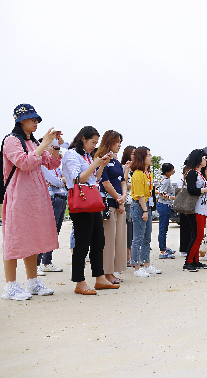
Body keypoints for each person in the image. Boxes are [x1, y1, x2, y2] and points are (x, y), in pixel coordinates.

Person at [1, 105, 60, 300]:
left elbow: (52, 163)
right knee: (14, 238)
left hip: (35, 197)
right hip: (19, 196)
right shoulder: (11, 140)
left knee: (32, 238)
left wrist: (55, 146)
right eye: (32, 119)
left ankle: (32, 282)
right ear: (20, 120)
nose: (35, 122)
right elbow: (24, 163)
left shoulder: (33, 142)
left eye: (37, 119)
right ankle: (10, 286)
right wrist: (44, 143)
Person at [64, 125, 119, 295]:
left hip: (93, 201)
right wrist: (95, 163)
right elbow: (77, 179)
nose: (94, 145)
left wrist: (101, 165)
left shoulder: (87, 156)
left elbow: (94, 178)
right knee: (82, 243)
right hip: (81, 203)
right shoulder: (71, 154)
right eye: (92, 142)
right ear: (83, 138)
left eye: (96, 142)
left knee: (98, 241)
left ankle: (99, 277)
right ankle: (79, 282)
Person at [98, 130, 128, 284]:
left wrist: (122, 197)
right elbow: (105, 183)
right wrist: (118, 198)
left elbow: (123, 180)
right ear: (109, 142)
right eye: (117, 142)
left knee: (119, 239)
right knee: (108, 241)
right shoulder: (101, 159)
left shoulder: (116, 162)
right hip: (108, 205)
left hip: (119, 204)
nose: (119, 145)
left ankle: (114, 270)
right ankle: (106, 272)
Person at [36, 137, 67, 275]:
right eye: (53, 147)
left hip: (61, 199)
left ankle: (47, 261)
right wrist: (61, 181)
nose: (55, 150)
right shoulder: (42, 164)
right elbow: (56, 181)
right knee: (44, 232)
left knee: (54, 232)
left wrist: (61, 181)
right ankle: (37, 263)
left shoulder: (56, 165)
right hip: (51, 199)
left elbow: (64, 178)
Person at [130, 146, 162, 277]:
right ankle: (137, 266)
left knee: (147, 238)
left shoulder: (147, 174)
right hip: (140, 207)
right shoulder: (138, 174)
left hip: (146, 207)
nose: (150, 157)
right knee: (137, 238)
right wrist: (144, 210)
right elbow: (140, 195)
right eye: (148, 155)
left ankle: (146, 263)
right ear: (141, 158)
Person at [183, 149, 207, 271]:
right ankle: (188, 262)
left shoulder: (199, 173)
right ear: (198, 159)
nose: (205, 160)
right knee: (197, 236)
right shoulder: (192, 172)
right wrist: (205, 190)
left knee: (198, 236)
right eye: (203, 158)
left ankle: (195, 260)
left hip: (202, 208)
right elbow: (191, 190)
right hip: (195, 208)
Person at [157, 163, 176, 259]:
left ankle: (164, 247)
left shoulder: (164, 180)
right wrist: (172, 197)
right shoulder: (166, 181)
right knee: (163, 228)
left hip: (164, 205)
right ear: (167, 172)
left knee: (164, 228)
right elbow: (161, 193)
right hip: (164, 205)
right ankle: (162, 250)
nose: (174, 171)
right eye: (172, 170)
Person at [120, 145, 136, 265]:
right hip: (126, 202)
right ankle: (126, 256)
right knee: (126, 231)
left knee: (132, 231)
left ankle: (130, 255)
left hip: (134, 201)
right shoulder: (123, 167)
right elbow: (123, 183)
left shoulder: (136, 169)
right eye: (133, 153)